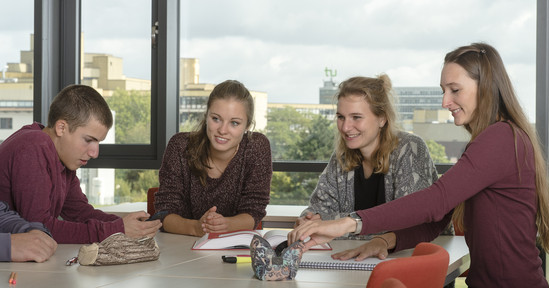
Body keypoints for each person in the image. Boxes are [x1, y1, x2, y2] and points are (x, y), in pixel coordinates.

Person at [289, 43, 549, 288]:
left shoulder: (500, 138)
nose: (445, 102)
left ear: (485, 86)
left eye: (455, 90)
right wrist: (383, 241)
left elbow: (436, 200)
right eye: (444, 91)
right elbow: (437, 219)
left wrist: (351, 223)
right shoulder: (491, 140)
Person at [295, 74, 453, 261]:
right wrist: (310, 222)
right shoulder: (342, 157)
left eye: (356, 117)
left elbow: (410, 223)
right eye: (340, 117)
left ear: (382, 119)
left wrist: (337, 226)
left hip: (418, 259)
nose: (345, 127)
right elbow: (314, 211)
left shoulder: (409, 148)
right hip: (355, 261)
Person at [0, 84, 162, 244]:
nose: (95, 153)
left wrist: (128, 224)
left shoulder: (60, 156)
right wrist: (116, 229)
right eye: (88, 140)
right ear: (61, 128)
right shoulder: (33, 145)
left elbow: (80, 212)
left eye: (98, 142)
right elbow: (39, 228)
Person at [154, 80, 272, 236]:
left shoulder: (256, 147)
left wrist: (224, 225)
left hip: (234, 248)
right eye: (216, 119)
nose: (222, 130)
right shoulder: (180, 146)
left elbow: (254, 212)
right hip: (180, 247)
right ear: (206, 116)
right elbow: (164, 214)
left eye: (234, 123)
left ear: (247, 126)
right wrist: (197, 227)